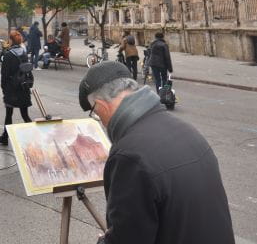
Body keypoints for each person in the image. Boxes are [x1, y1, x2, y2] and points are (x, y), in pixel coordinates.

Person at [78, 61, 234, 243]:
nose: (101, 121)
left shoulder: (129, 156)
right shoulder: (183, 128)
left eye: (95, 113)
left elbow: (128, 238)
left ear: (101, 106)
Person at [0, 30, 33, 145]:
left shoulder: (8, 55)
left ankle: (5, 138)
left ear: (11, 40)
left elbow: (4, 75)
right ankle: (34, 136)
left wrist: (4, 89)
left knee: (9, 114)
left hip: (12, 89)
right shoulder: (23, 52)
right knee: (25, 115)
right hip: (23, 87)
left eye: (9, 39)